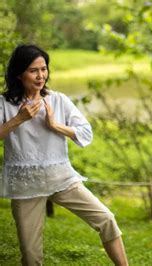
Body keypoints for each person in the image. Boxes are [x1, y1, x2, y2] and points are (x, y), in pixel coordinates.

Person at [0, 45, 128, 266]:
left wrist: (56, 125)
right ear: (19, 73)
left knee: (106, 219)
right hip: (25, 185)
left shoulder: (58, 100)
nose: (41, 76)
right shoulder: (4, 103)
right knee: (31, 255)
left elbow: (86, 133)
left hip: (61, 178)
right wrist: (18, 119)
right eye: (33, 70)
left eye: (44, 69)